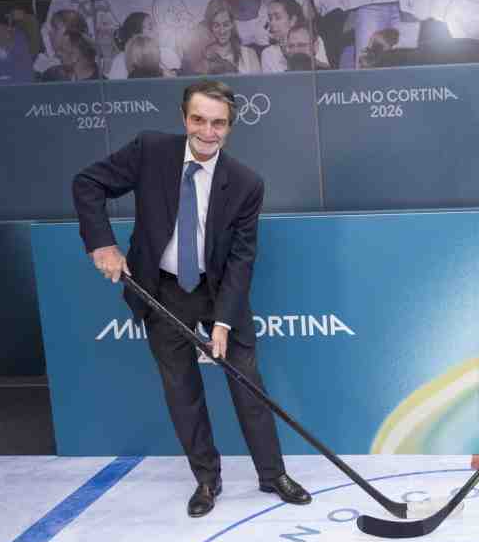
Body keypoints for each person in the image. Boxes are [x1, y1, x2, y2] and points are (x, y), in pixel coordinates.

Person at [72, 80, 313, 518]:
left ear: (230, 128)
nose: (208, 131)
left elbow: (241, 259)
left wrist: (223, 322)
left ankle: (272, 473)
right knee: (182, 390)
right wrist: (102, 244)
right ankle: (207, 478)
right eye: (199, 120)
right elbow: (87, 184)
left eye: (218, 123)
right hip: (161, 287)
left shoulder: (245, 184)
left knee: (247, 382)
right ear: (185, 119)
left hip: (217, 291)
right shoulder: (151, 151)